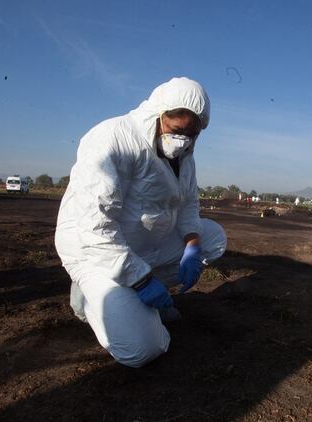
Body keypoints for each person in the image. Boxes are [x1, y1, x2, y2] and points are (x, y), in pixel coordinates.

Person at [54, 77, 227, 368]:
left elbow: (188, 204)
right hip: (94, 251)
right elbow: (96, 227)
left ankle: (133, 296)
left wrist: (193, 245)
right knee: (143, 350)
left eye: (193, 134)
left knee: (214, 238)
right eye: (177, 131)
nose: (183, 140)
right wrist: (142, 280)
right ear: (159, 114)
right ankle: (90, 295)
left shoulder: (185, 157)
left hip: (143, 244)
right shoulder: (113, 139)